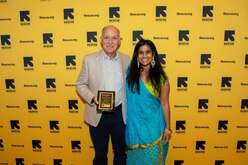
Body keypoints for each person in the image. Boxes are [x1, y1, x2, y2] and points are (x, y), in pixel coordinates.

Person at [76, 25, 130, 165]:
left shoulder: (126, 60)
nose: (110, 41)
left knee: (120, 154)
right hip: (98, 114)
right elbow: (80, 84)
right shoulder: (89, 60)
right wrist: (93, 98)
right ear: (101, 40)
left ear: (119, 41)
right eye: (106, 37)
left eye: (114, 38)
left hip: (120, 115)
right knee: (100, 155)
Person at [125, 39, 172, 164]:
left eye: (148, 52)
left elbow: (165, 103)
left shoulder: (161, 78)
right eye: (141, 52)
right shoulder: (129, 75)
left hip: (154, 128)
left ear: (153, 55)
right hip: (134, 128)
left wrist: (168, 128)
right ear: (137, 55)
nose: (144, 56)